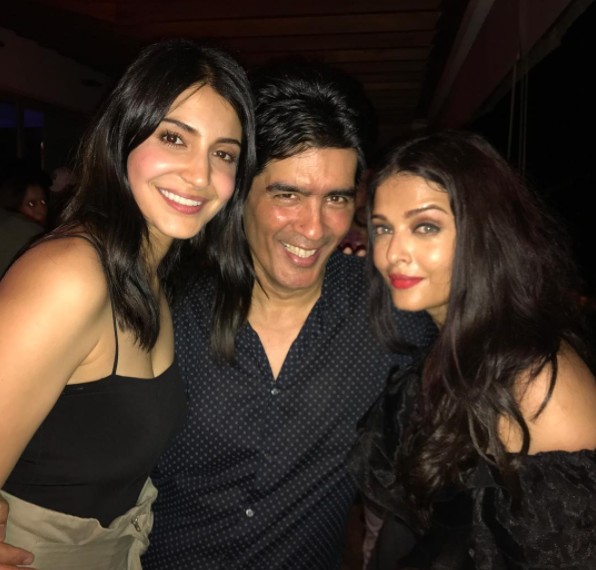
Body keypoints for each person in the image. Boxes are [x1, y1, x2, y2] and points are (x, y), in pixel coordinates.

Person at [141, 61, 436, 570]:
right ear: (241, 193)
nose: (314, 227)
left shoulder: (390, 312)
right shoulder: (169, 305)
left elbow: (493, 356)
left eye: (336, 198)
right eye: (288, 194)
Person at [0, 37, 255, 569]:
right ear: (122, 136)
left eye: (223, 153)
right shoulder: (70, 275)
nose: (200, 175)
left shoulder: (156, 276)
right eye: (174, 138)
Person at [348, 130, 596, 569]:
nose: (392, 253)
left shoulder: (539, 382)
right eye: (383, 228)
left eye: (425, 227)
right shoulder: (448, 351)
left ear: (486, 232)